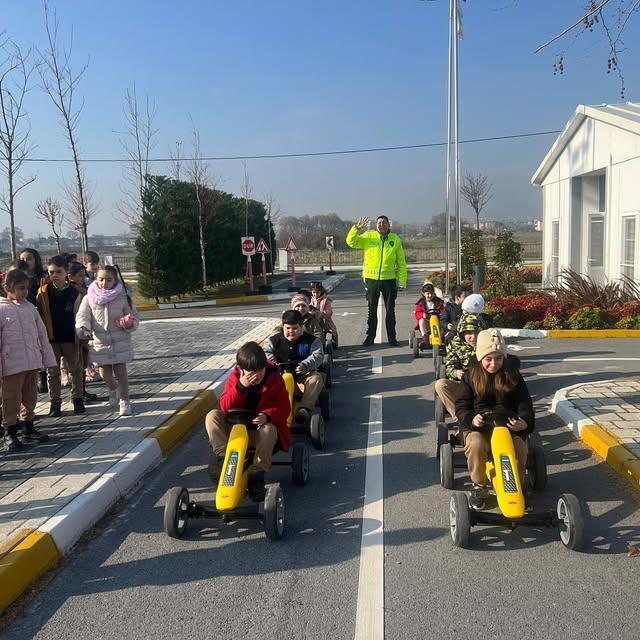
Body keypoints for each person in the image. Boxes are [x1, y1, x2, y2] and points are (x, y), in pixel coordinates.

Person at [455, 329, 534, 510]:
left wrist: (524, 422)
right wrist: (471, 419)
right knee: (475, 444)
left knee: (520, 446)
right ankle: (479, 485)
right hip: (479, 426)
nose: (493, 364)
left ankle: (517, 484)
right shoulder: (470, 377)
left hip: (508, 425)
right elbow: (461, 405)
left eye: (498, 359)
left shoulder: (513, 376)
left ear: (504, 358)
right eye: (488, 359)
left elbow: (525, 405)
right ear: (481, 358)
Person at [205, 341, 291, 501]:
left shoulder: (274, 378)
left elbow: (285, 407)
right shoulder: (234, 379)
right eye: (251, 372)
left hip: (260, 433)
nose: (256, 375)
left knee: (268, 429)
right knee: (212, 415)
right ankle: (224, 461)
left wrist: (267, 416)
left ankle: (257, 476)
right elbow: (224, 406)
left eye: (260, 370)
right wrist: (240, 387)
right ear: (240, 369)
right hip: (236, 433)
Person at [0, 270, 56, 451]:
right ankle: (10, 432)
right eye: (20, 288)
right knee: (11, 399)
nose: (24, 292)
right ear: (7, 288)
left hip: (31, 362)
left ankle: (28, 426)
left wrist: (48, 359)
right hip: (11, 365)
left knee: (30, 396)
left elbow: (42, 335)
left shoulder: (30, 308)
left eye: (26, 288)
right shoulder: (2, 310)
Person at [76, 265, 138, 417]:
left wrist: (128, 323)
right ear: (95, 279)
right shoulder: (89, 297)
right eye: (101, 279)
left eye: (108, 280)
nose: (104, 283)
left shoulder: (122, 296)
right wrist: (83, 328)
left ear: (115, 280)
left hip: (120, 340)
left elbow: (133, 316)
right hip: (99, 342)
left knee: (121, 372)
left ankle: (125, 401)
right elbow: (82, 316)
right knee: (105, 373)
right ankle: (113, 389)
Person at [346, 215, 407, 347]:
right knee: (372, 310)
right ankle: (370, 337)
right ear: (376, 225)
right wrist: (356, 228)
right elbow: (351, 242)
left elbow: (401, 262)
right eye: (379, 223)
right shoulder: (369, 236)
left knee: (390, 310)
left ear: (388, 225)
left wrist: (402, 281)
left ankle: (392, 338)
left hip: (389, 280)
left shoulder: (395, 239)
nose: (382, 225)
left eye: (384, 223)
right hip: (372, 280)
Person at [36, 255, 85, 417]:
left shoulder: (75, 292)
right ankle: (55, 403)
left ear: (66, 273)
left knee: (76, 370)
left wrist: (81, 336)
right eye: (51, 272)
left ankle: (77, 399)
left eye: (58, 271)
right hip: (51, 339)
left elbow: (79, 315)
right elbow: (40, 315)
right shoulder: (43, 292)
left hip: (71, 338)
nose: (54, 275)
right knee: (53, 372)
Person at [264, 309, 324, 424]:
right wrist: (274, 365)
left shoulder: (311, 341)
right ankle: (271, 410)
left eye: (295, 328)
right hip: (279, 378)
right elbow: (266, 353)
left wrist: (305, 365)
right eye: (288, 328)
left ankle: (304, 409)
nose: (291, 332)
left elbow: (318, 355)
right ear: (283, 327)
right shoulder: (274, 341)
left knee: (316, 378)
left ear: (301, 327)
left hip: (302, 377)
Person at [434, 314, 480, 419]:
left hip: (485, 384)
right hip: (463, 384)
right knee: (440, 385)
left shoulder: (486, 344)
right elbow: (449, 366)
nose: (473, 337)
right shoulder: (454, 344)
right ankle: (460, 418)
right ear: (462, 333)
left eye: (476, 333)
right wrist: (456, 373)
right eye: (468, 333)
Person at [310, 281, 339, 347]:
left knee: (333, 331)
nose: (316, 294)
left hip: (324, 320)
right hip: (312, 320)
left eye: (318, 292)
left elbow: (329, 311)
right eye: (314, 292)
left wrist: (323, 313)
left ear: (321, 291)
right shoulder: (310, 299)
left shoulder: (325, 300)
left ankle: (334, 343)